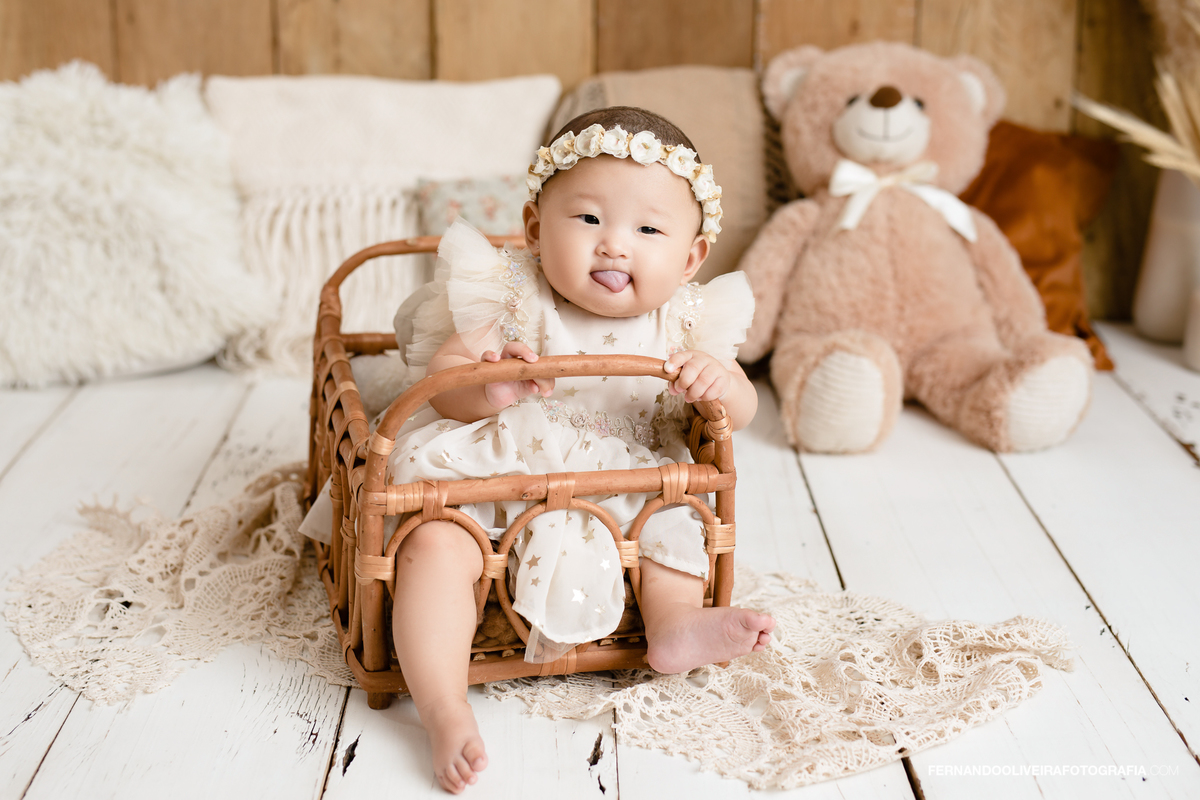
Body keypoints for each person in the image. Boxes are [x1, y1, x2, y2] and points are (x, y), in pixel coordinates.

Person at [388, 106, 776, 793]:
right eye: (590, 218)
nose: (614, 246)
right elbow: (442, 383)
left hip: (627, 478)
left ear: (689, 259)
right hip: (504, 467)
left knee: (675, 526)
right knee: (434, 544)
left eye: (648, 230)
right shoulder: (513, 292)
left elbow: (739, 412)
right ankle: (443, 704)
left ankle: (674, 626)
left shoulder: (685, 321)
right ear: (536, 228)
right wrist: (489, 385)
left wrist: (719, 382)